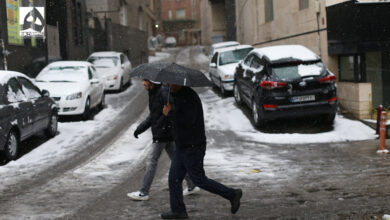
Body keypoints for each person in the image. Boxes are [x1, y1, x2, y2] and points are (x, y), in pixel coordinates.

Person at [161, 84, 242, 219]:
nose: (168, 85)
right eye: (167, 83)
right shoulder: (175, 95)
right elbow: (176, 121)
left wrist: (170, 113)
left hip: (193, 146)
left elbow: (189, 121)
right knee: (174, 179)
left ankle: (232, 194)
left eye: (170, 83)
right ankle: (178, 211)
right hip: (181, 146)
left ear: (178, 82)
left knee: (199, 179)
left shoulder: (189, 97)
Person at [127, 79, 199, 201]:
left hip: (163, 134)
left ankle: (144, 192)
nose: (143, 83)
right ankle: (192, 185)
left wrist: (163, 126)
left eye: (145, 80)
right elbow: (153, 115)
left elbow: (171, 110)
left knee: (152, 161)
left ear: (151, 82)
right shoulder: (154, 92)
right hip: (165, 133)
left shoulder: (163, 93)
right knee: (177, 160)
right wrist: (140, 129)